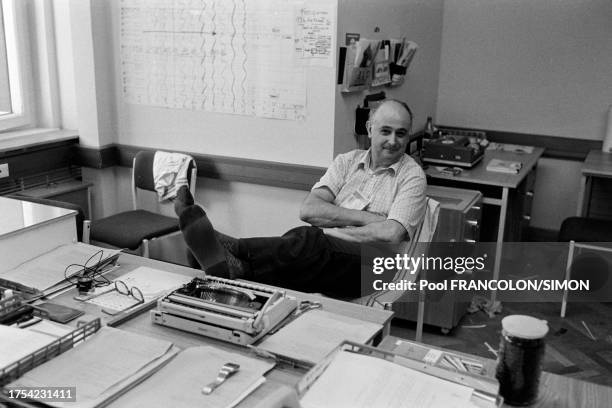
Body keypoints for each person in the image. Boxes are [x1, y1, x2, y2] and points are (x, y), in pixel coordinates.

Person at [174, 99, 427, 297]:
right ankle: (230, 262)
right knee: (301, 247)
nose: (393, 141)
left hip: (374, 269)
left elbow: (391, 233)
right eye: (386, 131)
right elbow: (309, 210)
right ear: (370, 129)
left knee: (308, 240)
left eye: (401, 134)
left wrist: (336, 232)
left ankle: (232, 251)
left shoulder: (412, 176)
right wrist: (367, 218)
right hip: (327, 256)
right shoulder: (347, 162)